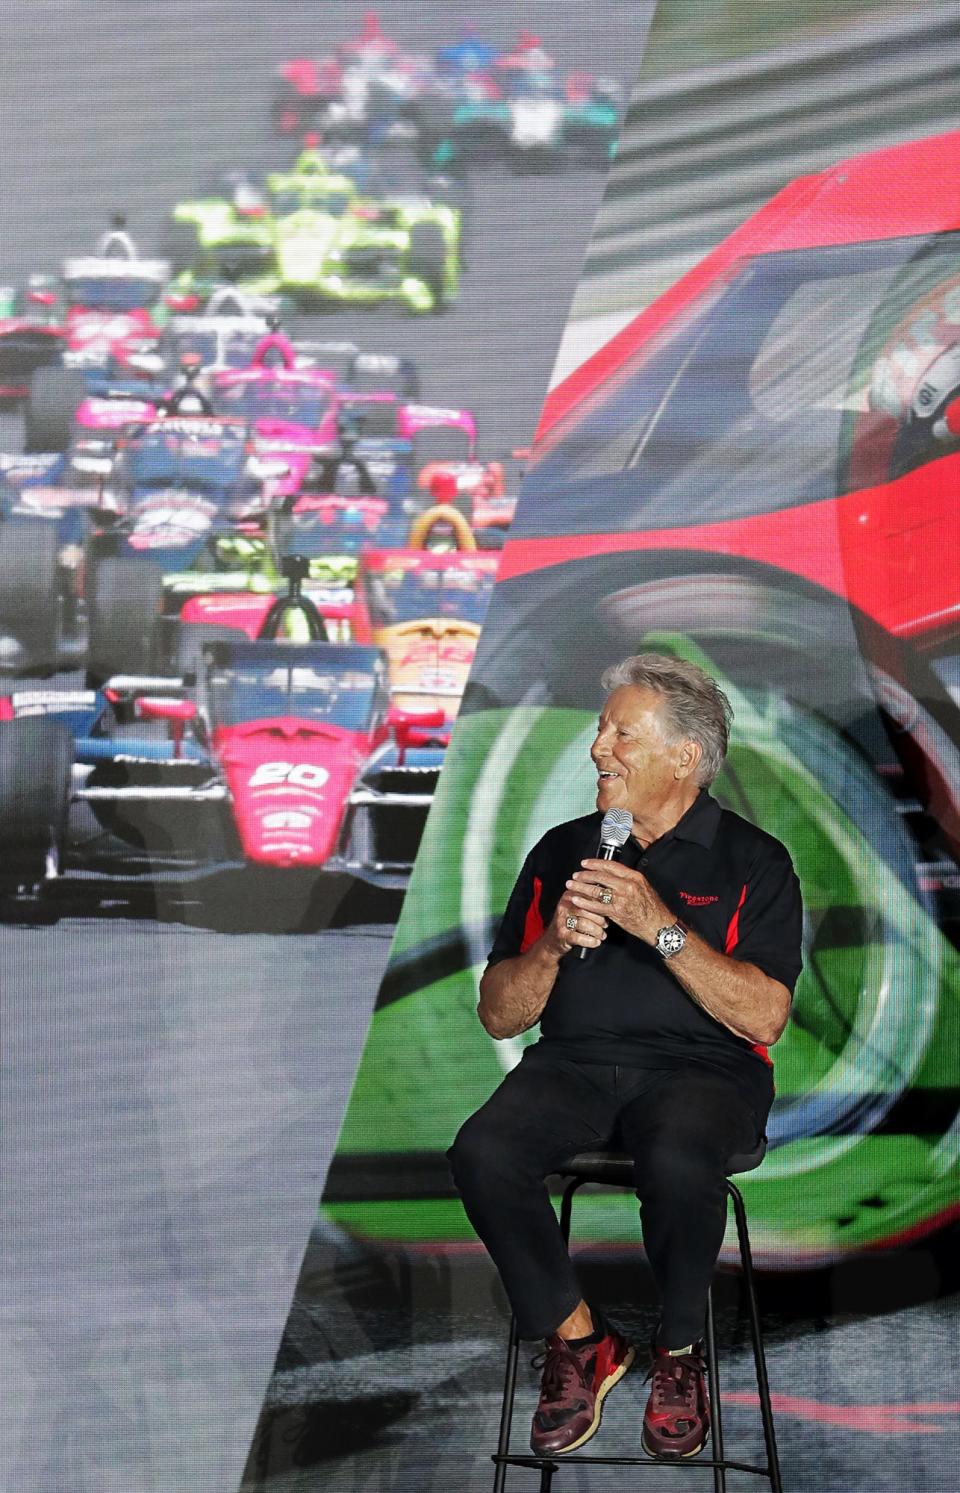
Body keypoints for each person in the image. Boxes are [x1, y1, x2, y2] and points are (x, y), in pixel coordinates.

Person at [448, 653, 802, 1459]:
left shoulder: (755, 860)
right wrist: (548, 948)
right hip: (571, 1065)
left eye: (621, 732)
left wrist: (660, 925)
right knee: (482, 1150)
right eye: (601, 729)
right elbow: (500, 1015)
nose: (598, 748)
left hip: (706, 1073)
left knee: (678, 1151)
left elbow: (767, 1015)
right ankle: (580, 1341)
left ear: (684, 756)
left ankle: (680, 1354)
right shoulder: (563, 849)